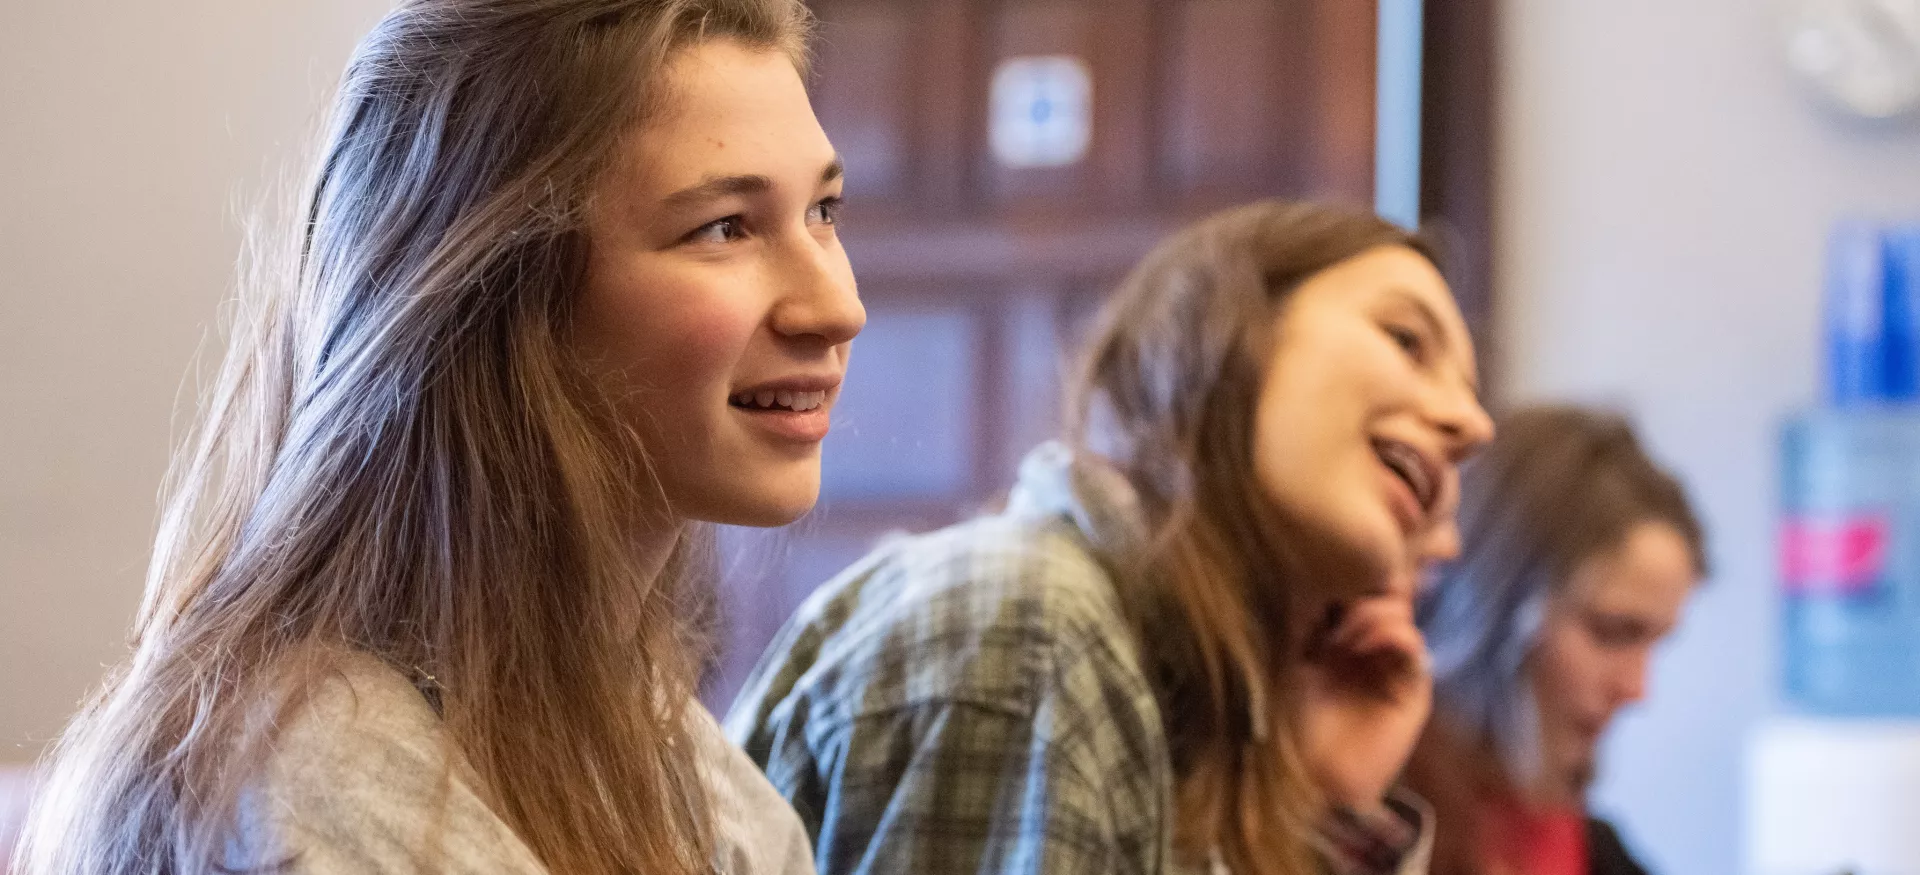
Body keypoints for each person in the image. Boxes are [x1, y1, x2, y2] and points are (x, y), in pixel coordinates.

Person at [14, 1, 862, 872]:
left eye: (824, 213)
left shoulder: (717, 796)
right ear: (494, 296)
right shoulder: (317, 793)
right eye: (725, 227)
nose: (840, 307)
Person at [726, 200, 1495, 875]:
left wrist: (1323, 802)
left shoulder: (1164, 692)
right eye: (1407, 339)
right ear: (1224, 332)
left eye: (1469, 393)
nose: (1472, 424)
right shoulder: (1035, 634)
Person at [1401, 406, 1707, 875]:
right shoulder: (1369, 829)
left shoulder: (1594, 849)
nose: (1636, 689)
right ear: (1495, 606)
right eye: (1612, 633)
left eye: (1653, 643)